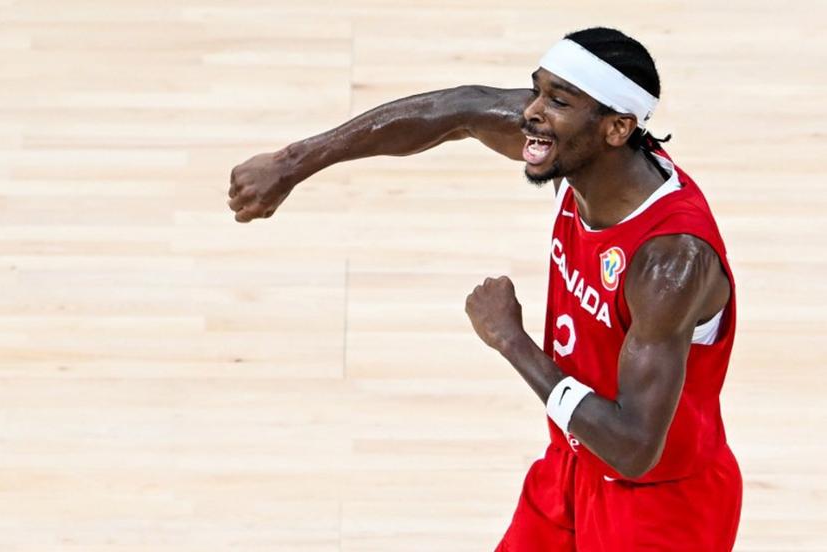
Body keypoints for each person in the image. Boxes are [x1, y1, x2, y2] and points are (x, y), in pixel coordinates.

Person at [228, 27, 742, 552]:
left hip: (658, 503)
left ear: (617, 128)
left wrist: (512, 341)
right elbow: (457, 111)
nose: (531, 112)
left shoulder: (670, 262)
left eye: (557, 100)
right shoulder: (577, 146)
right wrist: (294, 164)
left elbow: (634, 448)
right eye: (537, 90)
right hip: (571, 463)